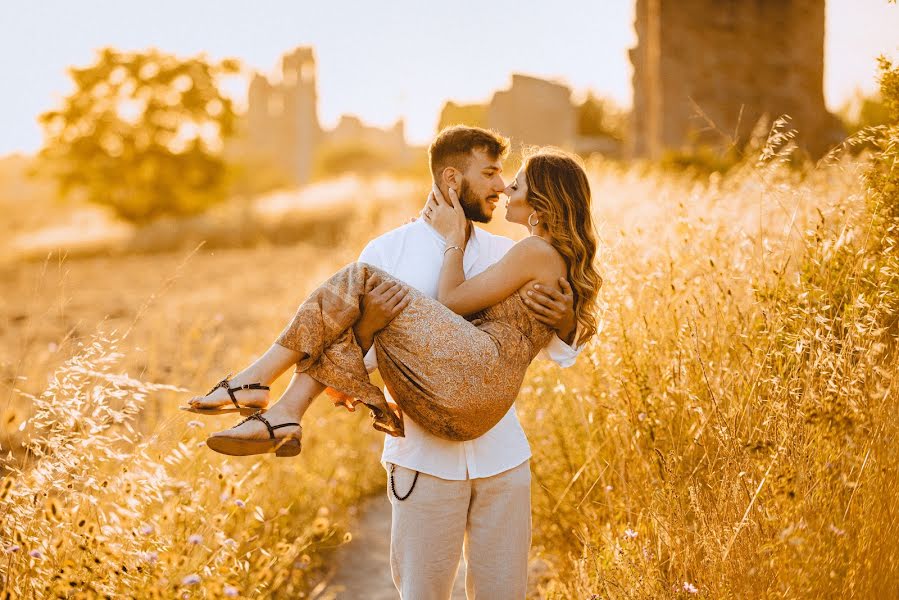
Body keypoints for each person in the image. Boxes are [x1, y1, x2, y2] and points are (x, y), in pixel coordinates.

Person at [185, 127, 602, 598]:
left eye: (507, 177)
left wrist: (568, 323)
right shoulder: (388, 251)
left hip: (500, 457)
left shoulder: (507, 251)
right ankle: (276, 406)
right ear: (451, 179)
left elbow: (556, 352)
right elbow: (349, 364)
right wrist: (367, 328)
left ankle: (269, 398)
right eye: (490, 173)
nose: (502, 186)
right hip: (424, 459)